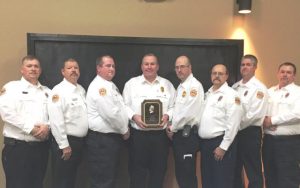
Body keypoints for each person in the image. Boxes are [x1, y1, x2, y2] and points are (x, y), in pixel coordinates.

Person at [123, 53, 176, 188]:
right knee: (136, 173)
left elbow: (175, 106)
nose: (149, 67)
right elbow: (123, 106)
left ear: (157, 66)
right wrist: (134, 116)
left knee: (158, 172)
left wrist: (167, 116)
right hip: (138, 136)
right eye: (146, 64)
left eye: (152, 64)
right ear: (141, 66)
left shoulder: (167, 84)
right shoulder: (131, 84)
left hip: (160, 137)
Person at [0, 55, 50, 188]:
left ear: (40, 70)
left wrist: (47, 127)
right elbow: (6, 113)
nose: (33, 69)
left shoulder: (47, 92)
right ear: (22, 70)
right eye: (29, 66)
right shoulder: (11, 88)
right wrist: (31, 129)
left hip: (41, 149)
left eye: (36, 66)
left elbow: (54, 116)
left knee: (37, 184)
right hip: (18, 149)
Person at [86, 55, 129, 188]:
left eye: (113, 66)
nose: (111, 68)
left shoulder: (110, 85)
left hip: (109, 140)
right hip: (102, 141)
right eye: (108, 65)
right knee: (103, 180)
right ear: (98, 68)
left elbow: (120, 109)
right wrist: (124, 130)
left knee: (109, 177)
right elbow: (111, 114)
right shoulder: (100, 87)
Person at [198, 64, 242, 188]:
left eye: (220, 73)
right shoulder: (208, 94)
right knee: (207, 180)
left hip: (221, 144)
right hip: (206, 145)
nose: (216, 76)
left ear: (227, 76)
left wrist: (223, 146)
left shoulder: (231, 95)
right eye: (214, 73)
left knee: (222, 182)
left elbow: (233, 123)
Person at [47, 58, 88, 188]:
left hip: (80, 143)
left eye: (76, 68)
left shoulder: (81, 89)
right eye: (69, 68)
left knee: (72, 179)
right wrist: (64, 145)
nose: (73, 70)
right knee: (62, 181)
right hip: (66, 143)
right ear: (63, 72)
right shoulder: (58, 91)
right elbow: (56, 120)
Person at [166, 55, 204, 188]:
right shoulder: (181, 86)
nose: (179, 70)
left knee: (187, 175)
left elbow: (187, 114)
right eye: (177, 67)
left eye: (182, 66)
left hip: (187, 137)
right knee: (181, 174)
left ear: (190, 68)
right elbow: (177, 111)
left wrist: (172, 128)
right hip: (180, 136)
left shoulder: (194, 86)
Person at [262, 62, 300, 188]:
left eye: (289, 72)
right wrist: (264, 121)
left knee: (288, 178)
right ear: (278, 74)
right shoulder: (269, 91)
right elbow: (261, 111)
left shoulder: (297, 92)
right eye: (282, 72)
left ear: (294, 76)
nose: (285, 75)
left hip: (288, 143)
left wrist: (273, 120)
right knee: (270, 175)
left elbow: (297, 114)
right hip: (268, 141)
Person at [232, 55, 267, 188]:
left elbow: (254, 115)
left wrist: (234, 126)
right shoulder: (235, 87)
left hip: (250, 133)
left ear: (255, 67)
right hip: (235, 134)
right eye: (243, 64)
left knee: (253, 171)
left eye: (248, 64)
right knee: (234, 169)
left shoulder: (259, 88)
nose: (245, 67)